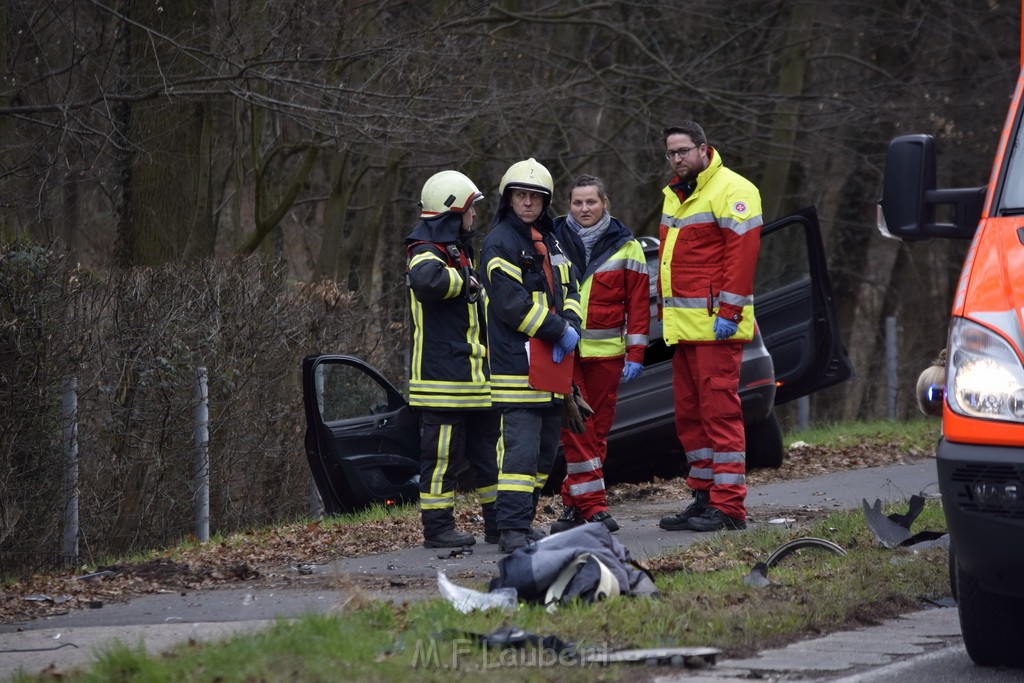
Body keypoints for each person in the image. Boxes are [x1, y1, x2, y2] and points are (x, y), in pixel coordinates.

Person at [655, 121, 762, 533]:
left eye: (684, 151)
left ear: (704, 149)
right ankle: (703, 497)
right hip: (685, 330)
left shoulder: (733, 189)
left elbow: (742, 256)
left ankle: (729, 506)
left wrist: (729, 314)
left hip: (716, 327)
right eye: (672, 153)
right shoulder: (676, 195)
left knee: (719, 415)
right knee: (691, 417)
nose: (678, 159)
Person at [481, 158, 583, 553]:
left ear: (545, 202)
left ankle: (522, 523)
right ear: (509, 199)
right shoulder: (499, 242)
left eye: (535, 197)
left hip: (553, 365)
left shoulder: (552, 240)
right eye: (521, 196)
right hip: (517, 366)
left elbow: (570, 287)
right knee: (520, 454)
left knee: (543, 455)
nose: (528, 203)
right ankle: (510, 531)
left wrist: (572, 323)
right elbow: (511, 304)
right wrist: (560, 330)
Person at [549, 174, 650, 535]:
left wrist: (637, 353)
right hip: (564, 353)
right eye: (577, 203)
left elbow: (639, 307)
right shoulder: (553, 240)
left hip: (607, 356)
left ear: (605, 203)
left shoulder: (628, 247)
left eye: (591, 202)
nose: (584, 209)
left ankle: (572, 505)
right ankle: (594, 507)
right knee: (578, 428)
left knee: (599, 432)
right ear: (569, 206)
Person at [405, 170, 499, 548]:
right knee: (441, 457)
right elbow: (427, 283)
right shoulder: (424, 252)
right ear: (452, 212)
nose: (474, 216)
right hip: (442, 381)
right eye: (470, 209)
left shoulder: (456, 251)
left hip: (475, 378)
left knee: (490, 456)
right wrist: (467, 281)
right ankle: (438, 529)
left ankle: (500, 523)